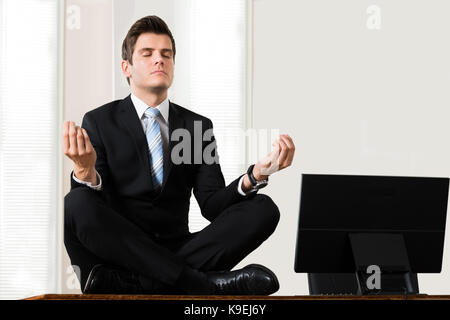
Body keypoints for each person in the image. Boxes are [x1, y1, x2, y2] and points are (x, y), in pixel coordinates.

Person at [63, 15, 295, 295]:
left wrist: (255, 175)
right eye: (147, 54)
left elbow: (212, 204)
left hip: (176, 249)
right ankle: (203, 284)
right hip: (123, 250)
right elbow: (92, 213)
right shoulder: (100, 120)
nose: (159, 60)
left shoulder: (196, 127)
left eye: (166, 54)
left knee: (263, 208)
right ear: (127, 67)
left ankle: (145, 282)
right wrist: (85, 172)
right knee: (76, 202)